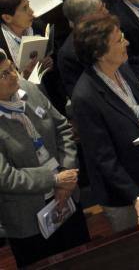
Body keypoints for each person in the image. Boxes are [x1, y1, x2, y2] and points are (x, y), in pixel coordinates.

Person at [71, 14, 139, 233]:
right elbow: (103, 157)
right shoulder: (85, 96)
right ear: (99, 53)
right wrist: (136, 195)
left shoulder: (122, 69)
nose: (127, 43)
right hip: (125, 194)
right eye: (118, 40)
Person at [0, 48, 90, 268]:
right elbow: (6, 177)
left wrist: (67, 174)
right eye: (3, 75)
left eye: (11, 68)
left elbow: (63, 129)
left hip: (67, 196)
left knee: (86, 260)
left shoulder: (29, 89)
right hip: (28, 217)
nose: (13, 75)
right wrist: (54, 180)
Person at [0, 0, 54, 80]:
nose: (31, 11)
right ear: (7, 18)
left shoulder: (38, 25)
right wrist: (25, 75)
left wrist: (49, 64)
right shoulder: (1, 45)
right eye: (25, 8)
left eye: (28, 5)